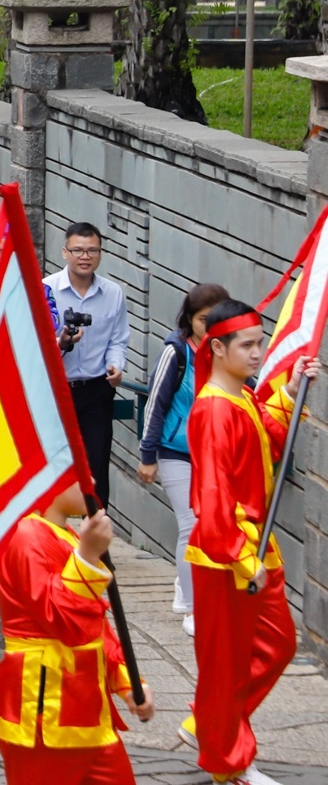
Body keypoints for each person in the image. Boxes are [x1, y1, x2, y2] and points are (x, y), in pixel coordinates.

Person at [183, 301, 316, 785]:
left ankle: (212, 721)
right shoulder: (214, 410)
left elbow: (266, 443)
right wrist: (240, 555)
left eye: (261, 342)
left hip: (253, 549)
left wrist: (292, 387)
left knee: (276, 645)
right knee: (227, 662)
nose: (259, 353)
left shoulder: (238, 400)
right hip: (229, 554)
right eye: (249, 345)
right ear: (217, 348)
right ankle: (230, 762)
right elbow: (213, 493)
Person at [0, 482, 152, 781]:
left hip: (84, 707)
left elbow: (96, 625)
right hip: (44, 707)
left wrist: (126, 681)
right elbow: (63, 620)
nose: (93, 483)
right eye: (78, 474)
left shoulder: (67, 536)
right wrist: (87, 557)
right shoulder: (24, 536)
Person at [138, 282, 230, 634]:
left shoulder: (228, 351)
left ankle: (183, 581)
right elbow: (155, 403)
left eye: (218, 319)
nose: (210, 326)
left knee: (211, 525)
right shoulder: (176, 352)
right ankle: (193, 609)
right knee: (191, 526)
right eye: (204, 319)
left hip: (215, 454)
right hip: (176, 451)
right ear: (189, 319)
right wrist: (148, 455)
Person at [47, 221, 129, 507]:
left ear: (100, 254)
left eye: (92, 250)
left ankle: (97, 544)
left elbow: (118, 339)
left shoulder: (113, 293)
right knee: (49, 469)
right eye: (78, 250)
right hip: (55, 391)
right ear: (65, 252)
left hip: (96, 391)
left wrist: (116, 365)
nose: (85, 257)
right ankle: (49, 539)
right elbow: (36, 346)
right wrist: (62, 341)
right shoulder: (47, 290)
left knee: (96, 473)